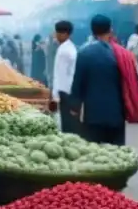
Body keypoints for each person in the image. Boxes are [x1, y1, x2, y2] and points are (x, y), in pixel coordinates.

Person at [68, 15, 125, 145]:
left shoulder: (84, 52)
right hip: (116, 112)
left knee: (95, 154)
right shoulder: (120, 53)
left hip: (93, 113)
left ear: (92, 30)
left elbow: (78, 82)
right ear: (110, 30)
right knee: (117, 154)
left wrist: (74, 107)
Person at [50, 21, 79, 134]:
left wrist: (55, 96)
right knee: (70, 122)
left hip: (65, 91)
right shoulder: (70, 47)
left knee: (66, 124)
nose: (55, 36)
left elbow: (60, 75)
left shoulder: (63, 51)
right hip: (70, 90)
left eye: (57, 33)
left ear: (64, 34)